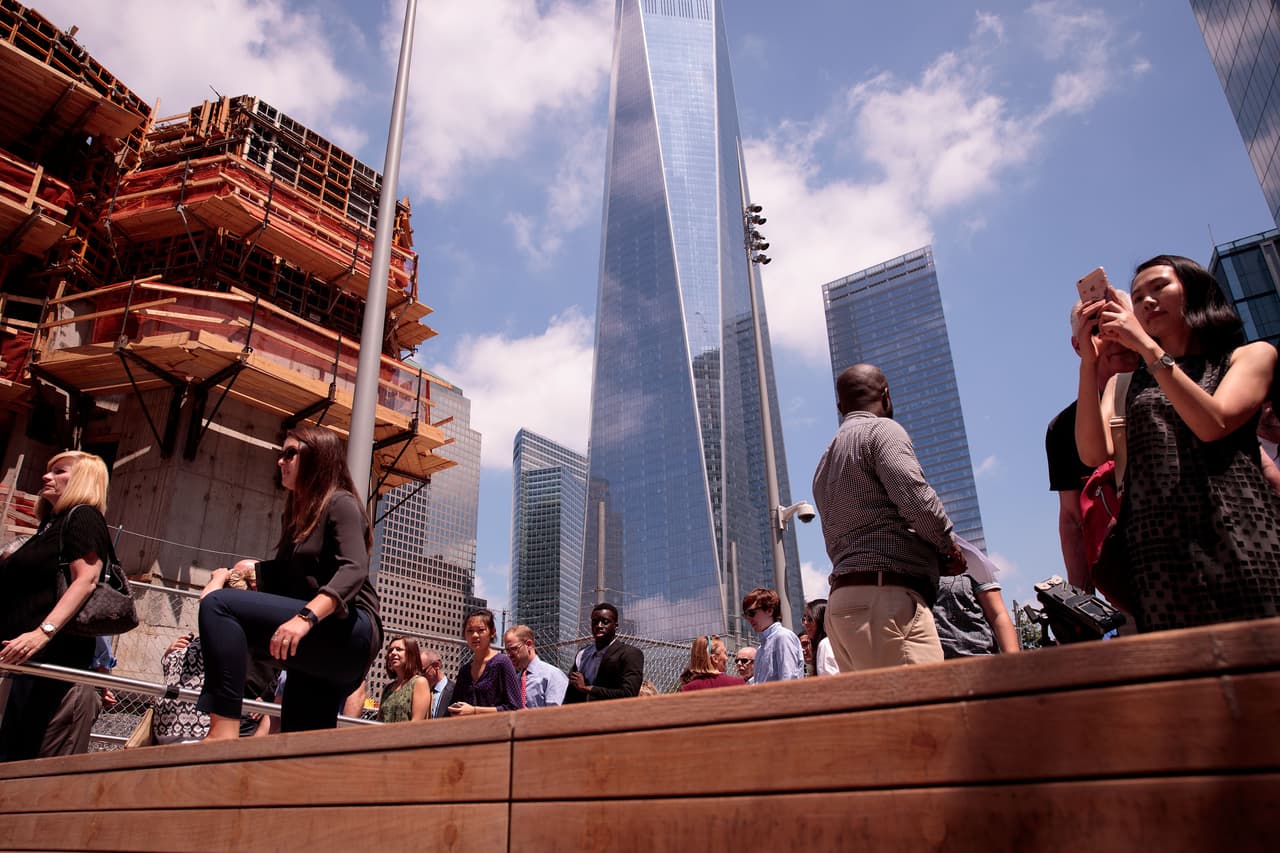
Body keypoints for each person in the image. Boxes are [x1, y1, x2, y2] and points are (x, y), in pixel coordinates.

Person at [1075, 255, 1280, 631]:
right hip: (1158, 553)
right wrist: (1089, 362)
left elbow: (1213, 422)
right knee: (1187, 676)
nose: (1147, 302)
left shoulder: (1248, 357)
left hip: (1242, 532)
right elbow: (1091, 452)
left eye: (1159, 288)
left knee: (1264, 663)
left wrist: (1146, 348)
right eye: (1137, 297)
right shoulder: (1124, 384)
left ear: (1195, 291)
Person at [197, 426, 381, 738]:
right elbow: (291, 576)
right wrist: (252, 571)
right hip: (318, 642)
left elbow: (354, 568)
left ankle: (223, 730)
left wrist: (305, 617)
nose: (281, 462)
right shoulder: (297, 518)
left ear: (317, 457)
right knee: (302, 740)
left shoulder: (341, 503)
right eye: (281, 454)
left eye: (290, 453)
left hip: (350, 631)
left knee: (219, 607)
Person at [812, 364, 963, 672]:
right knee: (922, 709)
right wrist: (947, 546)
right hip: (885, 599)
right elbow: (916, 499)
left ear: (840, 406)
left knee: (877, 717)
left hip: (842, 605)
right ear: (886, 396)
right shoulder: (882, 431)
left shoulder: (824, 461)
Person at [0, 451, 112, 762]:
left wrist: (42, 632)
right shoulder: (50, 526)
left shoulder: (84, 517)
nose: (46, 477)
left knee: (36, 772)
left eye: (59, 471)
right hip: (25, 666)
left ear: (82, 479)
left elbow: (86, 579)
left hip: (56, 670)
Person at [1047, 298, 1143, 588]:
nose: (1115, 336)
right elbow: (1073, 517)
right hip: (1129, 578)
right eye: (1099, 330)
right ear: (1078, 346)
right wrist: (1081, 599)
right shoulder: (1064, 428)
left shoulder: (1175, 379)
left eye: (1118, 320)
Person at [932, 538, 1021, 657]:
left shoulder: (970, 557)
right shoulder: (906, 561)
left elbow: (998, 614)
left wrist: (1014, 663)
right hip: (929, 664)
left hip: (979, 659)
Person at [565, 603, 644, 702]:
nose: (599, 626)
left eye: (605, 622)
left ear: (616, 626)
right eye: (595, 622)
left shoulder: (630, 654)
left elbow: (629, 693)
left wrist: (588, 689)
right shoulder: (582, 655)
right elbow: (571, 693)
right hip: (584, 714)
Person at [448, 608, 520, 716]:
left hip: (496, 730)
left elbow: (515, 707)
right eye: (470, 631)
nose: (475, 635)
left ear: (492, 632)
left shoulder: (502, 662)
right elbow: (454, 705)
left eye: (481, 630)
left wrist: (474, 711)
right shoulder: (464, 671)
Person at [741, 588, 804, 682]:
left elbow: (789, 680)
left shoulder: (783, 637)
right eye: (746, 615)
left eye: (751, 613)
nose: (749, 618)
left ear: (770, 611)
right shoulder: (761, 648)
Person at [503, 624, 568, 708]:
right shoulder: (516, 680)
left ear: (529, 644)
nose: (509, 655)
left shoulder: (552, 675)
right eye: (507, 651)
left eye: (514, 649)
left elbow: (556, 714)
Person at [378, 636, 430, 723]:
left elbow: (416, 722)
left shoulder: (419, 682)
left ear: (411, 654)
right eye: (390, 650)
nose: (393, 653)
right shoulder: (387, 688)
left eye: (398, 649)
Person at [678, 635, 745, 692]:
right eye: (725, 653)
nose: (727, 658)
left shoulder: (687, 689)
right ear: (715, 659)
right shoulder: (737, 683)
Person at [802, 599, 838, 676]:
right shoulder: (835, 641)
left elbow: (828, 680)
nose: (805, 623)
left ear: (821, 620)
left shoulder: (825, 644)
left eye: (810, 619)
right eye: (804, 619)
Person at [419, 647, 454, 718]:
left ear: (436, 665)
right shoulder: (418, 691)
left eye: (422, 672)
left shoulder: (456, 691)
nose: (419, 677)